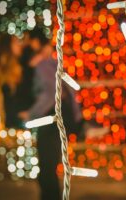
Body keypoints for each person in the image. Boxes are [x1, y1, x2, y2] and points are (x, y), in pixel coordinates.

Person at [18, 28, 82, 200]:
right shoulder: (53, 63)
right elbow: (70, 92)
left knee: (47, 167)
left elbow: (50, 94)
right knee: (49, 165)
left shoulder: (42, 64)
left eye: (27, 40)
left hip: (50, 119)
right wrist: (77, 119)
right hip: (56, 118)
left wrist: (30, 114)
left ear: (37, 43)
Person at [0, 34, 25, 128]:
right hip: (14, 124)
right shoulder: (4, 72)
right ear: (7, 47)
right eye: (16, 42)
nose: (20, 44)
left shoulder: (20, 65)